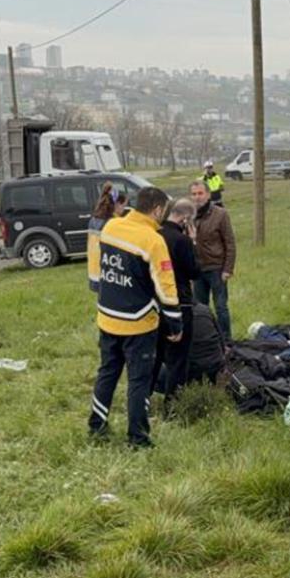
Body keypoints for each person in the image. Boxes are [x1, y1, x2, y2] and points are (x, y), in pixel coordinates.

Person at [89, 187, 182, 448]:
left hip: (107, 316)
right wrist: (175, 323)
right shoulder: (153, 240)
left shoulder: (110, 227)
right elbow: (167, 287)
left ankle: (96, 426)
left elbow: (100, 266)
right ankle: (138, 438)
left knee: (107, 372)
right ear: (157, 210)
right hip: (138, 323)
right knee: (139, 381)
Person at [152, 198, 200, 409]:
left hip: (155, 303)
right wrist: (194, 242)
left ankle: (144, 398)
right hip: (180, 303)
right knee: (178, 359)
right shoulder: (182, 241)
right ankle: (172, 405)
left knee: (155, 356)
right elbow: (194, 271)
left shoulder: (155, 236)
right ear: (186, 219)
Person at [189, 180, 236, 340]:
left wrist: (228, 269)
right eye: (194, 194)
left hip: (216, 268)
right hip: (197, 271)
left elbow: (229, 242)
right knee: (200, 309)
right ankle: (206, 339)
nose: (197, 197)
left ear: (208, 195)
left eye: (200, 193)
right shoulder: (188, 216)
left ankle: (227, 340)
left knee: (221, 307)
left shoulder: (220, 214)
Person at [87, 181, 129, 293]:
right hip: (109, 274)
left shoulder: (94, 219)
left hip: (94, 271)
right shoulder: (114, 223)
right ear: (117, 204)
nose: (124, 210)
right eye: (124, 206)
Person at [187, 303, 226, 384]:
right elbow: (222, 341)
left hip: (192, 372)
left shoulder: (172, 317)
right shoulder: (205, 309)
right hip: (216, 367)